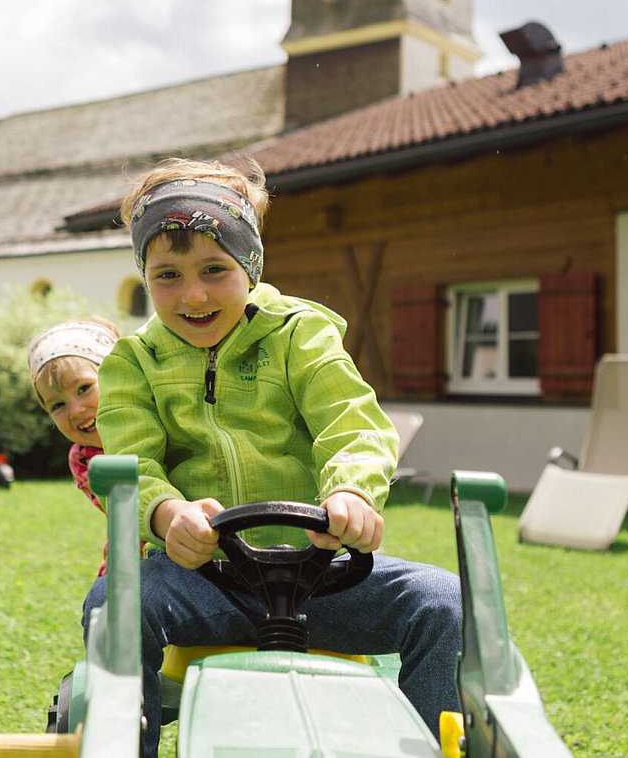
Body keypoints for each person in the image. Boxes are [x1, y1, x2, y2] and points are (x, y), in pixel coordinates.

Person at [88, 157, 462, 756]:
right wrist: (165, 515)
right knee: (115, 603)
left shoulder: (300, 335)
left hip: (323, 577)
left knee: (442, 603)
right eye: (167, 276)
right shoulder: (134, 363)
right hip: (202, 578)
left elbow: (354, 423)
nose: (193, 294)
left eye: (215, 269)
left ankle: (432, 743)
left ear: (251, 265)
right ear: (144, 277)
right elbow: (130, 468)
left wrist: (351, 492)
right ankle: (126, 743)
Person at [28, 317, 124, 577]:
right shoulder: (85, 460)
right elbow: (129, 514)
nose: (75, 410)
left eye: (83, 388)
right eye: (57, 405)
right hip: (131, 563)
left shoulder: (161, 421)